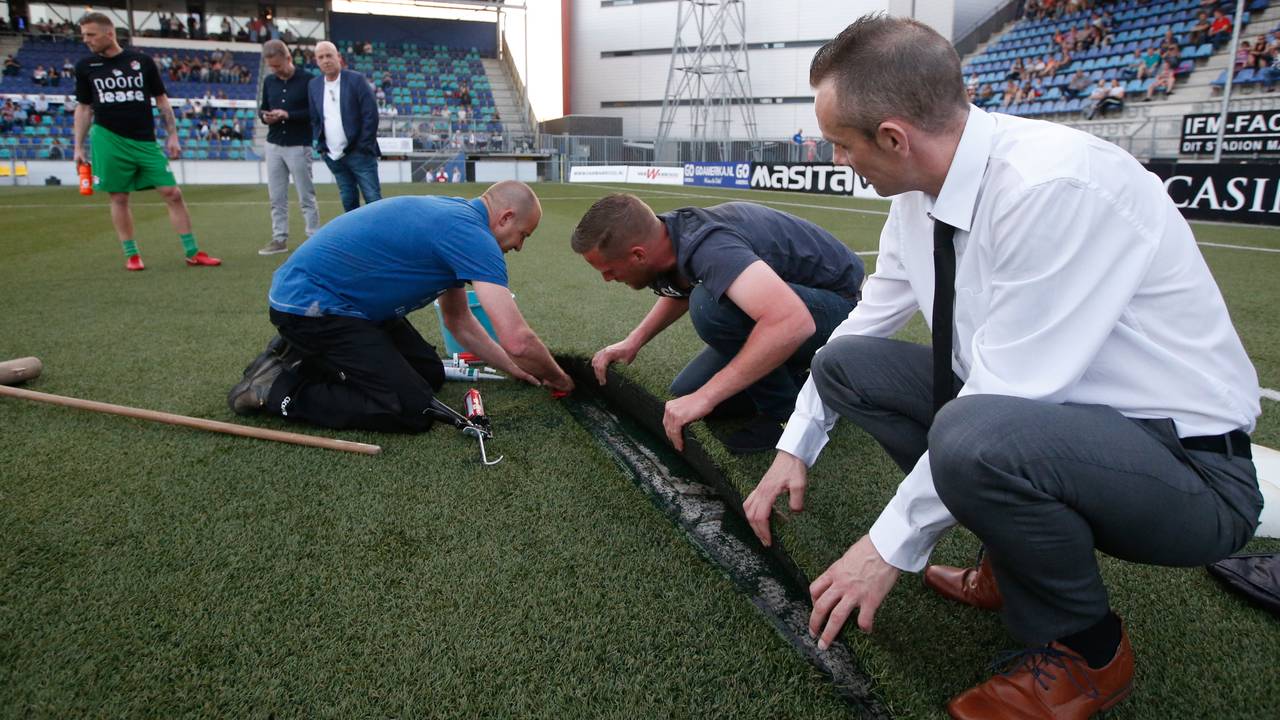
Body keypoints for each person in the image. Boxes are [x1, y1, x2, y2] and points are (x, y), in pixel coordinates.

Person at [741, 15, 1261, 719]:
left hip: (1189, 472)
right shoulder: (919, 199)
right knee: (849, 365)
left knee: (974, 434)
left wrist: (885, 546)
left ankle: (1089, 653)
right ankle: (1013, 563)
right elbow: (864, 326)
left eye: (842, 144)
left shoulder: (1052, 187)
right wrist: (793, 446)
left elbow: (1005, 394)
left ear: (893, 137)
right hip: (1064, 433)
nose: (839, 161)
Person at [228, 181, 573, 430]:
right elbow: (518, 341)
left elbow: (459, 322)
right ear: (506, 217)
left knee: (430, 373)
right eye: (524, 235)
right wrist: (559, 379)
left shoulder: (459, 220)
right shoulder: (473, 237)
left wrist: (513, 368)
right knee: (411, 409)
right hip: (312, 309)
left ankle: (300, 355)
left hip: (348, 304)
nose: (520, 246)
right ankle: (276, 388)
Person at [573, 196, 864, 454]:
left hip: (844, 307)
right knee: (687, 391)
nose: (607, 279)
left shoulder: (708, 245)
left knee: (709, 307)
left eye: (609, 270)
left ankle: (782, 414)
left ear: (638, 254)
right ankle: (809, 383)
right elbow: (681, 287)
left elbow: (792, 322)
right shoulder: (665, 238)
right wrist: (633, 340)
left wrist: (706, 397)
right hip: (794, 302)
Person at [73, 13, 220, 271]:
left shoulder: (141, 62)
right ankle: (132, 255)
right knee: (119, 197)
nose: (86, 40)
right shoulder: (85, 67)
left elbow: (161, 100)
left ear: (109, 33)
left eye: (91, 34)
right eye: (84, 35)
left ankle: (192, 252)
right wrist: (78, 146)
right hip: (108, 138)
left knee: (172, 193)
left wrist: (172, 135)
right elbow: (84, 108)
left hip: (145, 140)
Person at [258, 39, 318, 256]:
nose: (275, 70)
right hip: (274, 144)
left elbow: (314, 113)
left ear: (288, 58)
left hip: (299, 145)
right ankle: (279, 238)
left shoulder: (308, 80)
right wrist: (266, 118)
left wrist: (288, 115)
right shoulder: (269, 82)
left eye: (278, 65)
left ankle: (313, 236)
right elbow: (262, 109)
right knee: (276, 197)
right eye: (272, 67)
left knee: (306, 195)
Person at [308, 40, 381, 212]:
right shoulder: (314, 85)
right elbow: (315, 118)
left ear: (338, 57)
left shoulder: (356, 80)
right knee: (348, 200)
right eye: (321, 57)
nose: (326, 60)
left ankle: (379, 237)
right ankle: (354, 237)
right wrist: (322, 147)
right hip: (333, 156)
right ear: (316, 61)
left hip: (359, 153)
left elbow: (371, 115)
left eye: (329, 55)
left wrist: (362, 146)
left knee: (373, 199)